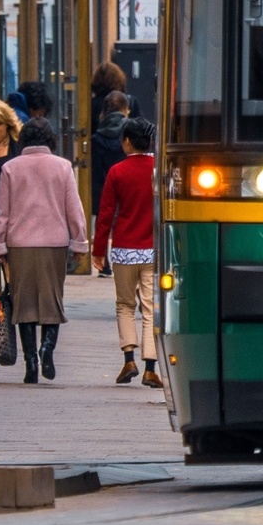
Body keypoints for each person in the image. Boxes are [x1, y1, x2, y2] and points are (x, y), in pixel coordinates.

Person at [0, 118, 89, 384]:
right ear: (51, 140)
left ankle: (30, 361)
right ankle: (47, 349)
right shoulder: (63, 167)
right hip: (54, 243)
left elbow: (2, 212)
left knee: (24, 304)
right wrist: (79, 242)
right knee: (52, 299)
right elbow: (74, 208)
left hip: (19, 244)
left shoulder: (10, 168)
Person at [93, 117, 160, 388]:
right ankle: (150, 367)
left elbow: (106, 215)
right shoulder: (159, 170)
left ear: (128, 142)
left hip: (123, 250)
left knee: (124, 305)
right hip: (153, 251)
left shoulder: (117, 172)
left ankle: (129, 359)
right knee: (150, 308)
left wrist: (98, 251)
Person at [89, 90, 131, 217]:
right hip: (129, 194)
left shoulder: (96, 139)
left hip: (107, 197)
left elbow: (96, 177)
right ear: (124, 109)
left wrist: (97, 208)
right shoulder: (131, 132)